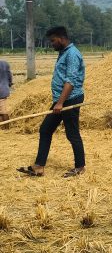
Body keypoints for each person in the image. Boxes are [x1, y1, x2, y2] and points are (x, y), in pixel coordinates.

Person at [17, 26, 86, 178]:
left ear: (61, 38)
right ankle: (39, 167)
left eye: (53, 40)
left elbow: (70, 81)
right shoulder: (64, 53)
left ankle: (80, 167)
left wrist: (60, 103)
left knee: (72, 133)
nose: (51, 43)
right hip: (61, 99)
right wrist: (59, 102)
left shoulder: (72, 54)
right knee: (45, 129)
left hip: (70, 99)